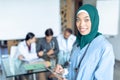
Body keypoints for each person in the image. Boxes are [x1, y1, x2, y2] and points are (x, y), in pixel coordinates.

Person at [55, 4, 115, 80]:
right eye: (78, 20)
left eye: (86, 20)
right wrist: (63, 72)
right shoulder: (77, 43)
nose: (81, 24)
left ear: (94, 20)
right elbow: (73, 69)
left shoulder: (105, 48)